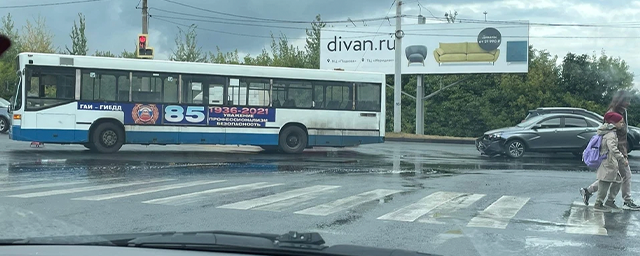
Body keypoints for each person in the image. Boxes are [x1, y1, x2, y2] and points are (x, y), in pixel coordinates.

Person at [581, 90, 640, 210]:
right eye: (626, 100)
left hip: (621, 149)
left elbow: (623, 135)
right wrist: (620, 155)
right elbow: (607, 133)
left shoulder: (624, 112)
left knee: (613, 177)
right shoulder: (612, 114)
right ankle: (625, 200)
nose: (628, 103)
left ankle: (589, 191)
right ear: (620, 100)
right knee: (624, 176)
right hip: (614, 152)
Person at [591, 112, 627, 212]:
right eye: (620, 122)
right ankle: (599, 204)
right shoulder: (610, 134)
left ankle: (609, 201)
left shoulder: (609, 131)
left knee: (618, 180)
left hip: (610, 161)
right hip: (608, 162)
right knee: (604, 183)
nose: (622, 124)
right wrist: (622, 158)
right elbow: (613, 148)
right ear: (613, 123)